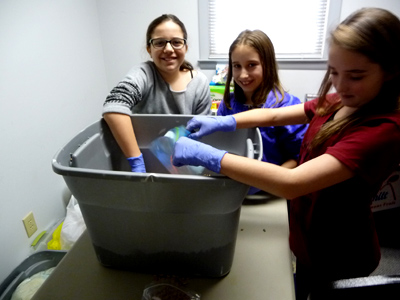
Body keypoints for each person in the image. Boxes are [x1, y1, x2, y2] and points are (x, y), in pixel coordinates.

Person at [172, 7, 400, 299]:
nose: (340, 85)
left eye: (355, 75)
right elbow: (273, 117)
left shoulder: (382, 130)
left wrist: (209, 156)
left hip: (341, 251)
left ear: (391, 70)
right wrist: (223, 120)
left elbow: (292, 183)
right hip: (307, 236)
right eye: (334, 72)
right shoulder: (337, 100)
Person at [102, 14, 211, 173]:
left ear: (185, 47)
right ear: (149, 49)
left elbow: (202, 133)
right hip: (146, 162)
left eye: (176, 42)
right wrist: (136, 161)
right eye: (159, 43)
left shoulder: (199, 83)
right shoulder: (144, 74)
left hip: (185, 164)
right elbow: (114, 106)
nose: (168, 49)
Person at [217, 29, 308, 194]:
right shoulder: (228, 105)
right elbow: (221, 146)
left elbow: (297, 157)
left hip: (272, 192)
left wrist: (266, 181)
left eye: (251, 65)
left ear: (267, 64)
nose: (243, 74)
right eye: (237, 66)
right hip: (232, 190)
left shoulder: (287, 107)